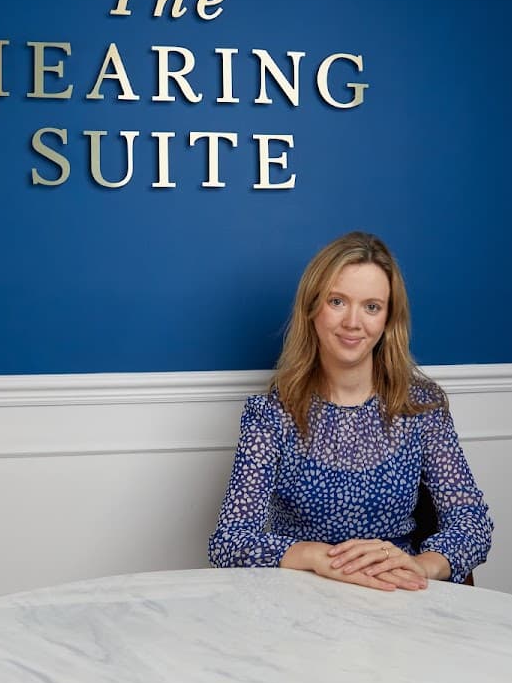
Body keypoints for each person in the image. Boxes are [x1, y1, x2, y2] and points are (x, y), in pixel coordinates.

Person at [207, 231, 492, 590]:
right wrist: (318, 558)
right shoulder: (270, 414)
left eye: (371, 306)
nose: (353, 322)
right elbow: (229, 541)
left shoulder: (421, 408)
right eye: (337, 301)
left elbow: (472, 522)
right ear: (312, 308)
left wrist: (421, 566)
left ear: (388, 319)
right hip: (299, 599)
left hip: (399, 597)